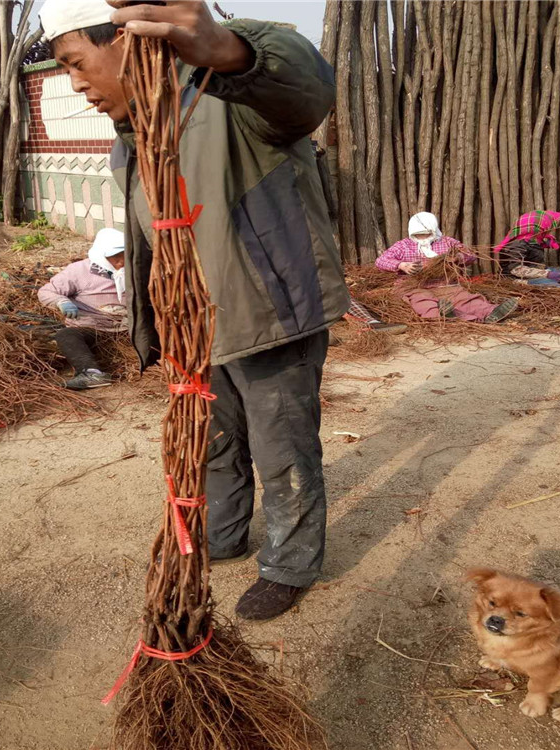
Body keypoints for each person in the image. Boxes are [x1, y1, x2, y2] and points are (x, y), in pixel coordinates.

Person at [39, 0, 350, 619]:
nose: (75, 85)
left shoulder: (229, 93)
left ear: (126, 41)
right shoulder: (133, 136)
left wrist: (234, 52)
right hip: (194, 324)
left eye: (77, 65)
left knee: (281, 447)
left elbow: (306, 89)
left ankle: (290, 564)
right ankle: (226, 534)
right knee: (213, 442)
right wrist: (151, 322)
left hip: (268, 312)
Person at [375, 212, 518, 323]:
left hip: (445, 286)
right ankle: (445, 316)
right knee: (423, 301)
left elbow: (470, 255)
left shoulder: (447, 242)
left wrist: (458, 258)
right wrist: (402, 265)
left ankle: (491, 312)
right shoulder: (403, 245)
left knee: (464, 299)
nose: (423, 238)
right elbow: (381, 261)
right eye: (418, 236)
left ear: (434, 230)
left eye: (426, 234)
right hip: (414, 288)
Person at [38, 227, 128, 390]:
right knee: (67, 335)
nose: (121, 263)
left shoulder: (135, 270)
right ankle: (91, 373)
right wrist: (61, 302)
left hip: (127, 328)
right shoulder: (79, 271)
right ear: (102, 256)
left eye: (124, 257)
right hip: (91, 328)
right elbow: (46, 291)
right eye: (115, 258)